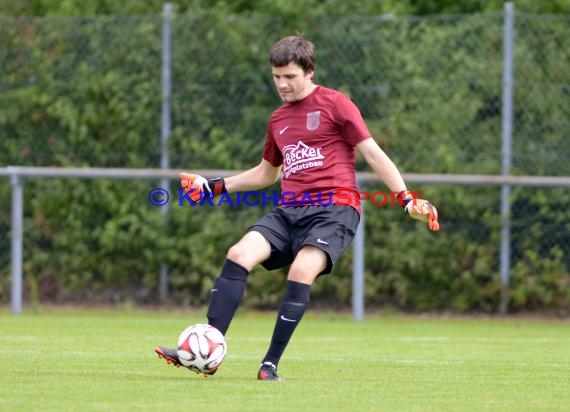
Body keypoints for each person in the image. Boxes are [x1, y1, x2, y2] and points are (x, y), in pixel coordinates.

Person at [155, 34, 439, 381]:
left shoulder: (336, 104)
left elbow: (373, 153)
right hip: (290, 210)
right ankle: (207, 350)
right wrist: (213, 187)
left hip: (336, 209)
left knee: (301, 270)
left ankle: (269, 365)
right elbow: (265, 174)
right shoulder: (278, 120)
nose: (282, 84)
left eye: (289, 76)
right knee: (239, 253)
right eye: (276, 77)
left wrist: (406, 199)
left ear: (309, 71)